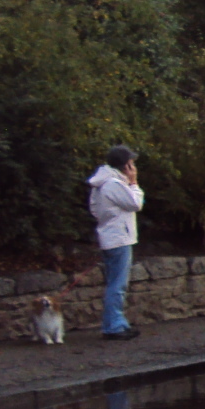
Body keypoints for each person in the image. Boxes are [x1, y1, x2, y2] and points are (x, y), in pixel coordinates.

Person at [87, 145, 145, 340]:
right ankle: (115, 326)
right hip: (119, 239)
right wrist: (134, 181)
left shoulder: (102, 183)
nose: (133, 167)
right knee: (118, 285)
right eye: (131, 164)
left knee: (114, 283)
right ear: (125, 165)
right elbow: (136, 204)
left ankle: (113, 323)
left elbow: (95, 210)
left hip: (111, 236)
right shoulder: (114, 184)